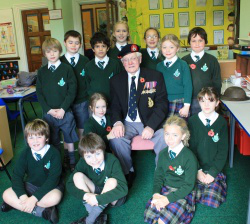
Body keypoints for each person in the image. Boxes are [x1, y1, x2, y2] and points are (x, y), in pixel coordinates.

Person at [109, 44, 168, 188]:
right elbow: (114, 106)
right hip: (127, 122)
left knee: (164, 137)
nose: (130, 62)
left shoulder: (155, 76)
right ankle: (127, 172)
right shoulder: (116, 80)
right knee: (117, 140)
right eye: (126, 60)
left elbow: (162, 104)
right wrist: (117, 123)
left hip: (149, 121)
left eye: (133, 59)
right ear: (122, 63)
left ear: (140, 59)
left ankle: (162, 173)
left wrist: (151, 126)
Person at [1, 119, 63, 224]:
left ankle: (16, 204)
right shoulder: (25, 153)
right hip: (31, 184)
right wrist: (24, 197)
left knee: (55, 198)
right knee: (6, 194)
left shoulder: (54, 153)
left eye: (39, 136)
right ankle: (43, 212)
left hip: (51, 187)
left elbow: (53, 180)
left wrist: (33, 199)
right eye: (31, 137)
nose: (35, 141)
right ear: (27, 139)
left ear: (46, 138)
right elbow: (17, 176)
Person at [144, 115, 198, 224]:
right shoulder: (163, 153)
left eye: (175, 135)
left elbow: (188, 185)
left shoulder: (189, 157)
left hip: (183, 192)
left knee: (163, 221)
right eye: (167, 134)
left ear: (183, 136)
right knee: (150, 216)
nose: (169, 139)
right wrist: (156, 193)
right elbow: (158, 176)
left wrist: (167, 199)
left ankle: (184, 211)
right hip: (166, 188)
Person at [36, 38, 78, 172]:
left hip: (65, 112)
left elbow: (72, 91)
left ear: (60, 51)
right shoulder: (42, 72)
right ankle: (56, 164)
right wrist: (48, 110)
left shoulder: (67, 69)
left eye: (55, 51)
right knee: (53, 140)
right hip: (49, 114)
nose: (52, 54)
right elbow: (39, 93)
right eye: (49, 52)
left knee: (69, 137)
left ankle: (71, 162)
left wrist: (63, 109)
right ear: (44, 54)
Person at [67, 133, 128, 224]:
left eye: (98, 154)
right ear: (83, 157)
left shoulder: (112, 160)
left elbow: (123, 189)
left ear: (103, 151)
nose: (94, 159)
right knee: (77, 176)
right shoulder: (82, 162)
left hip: (114, 197)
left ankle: (90, 220)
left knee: (111, 181)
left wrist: (99, 199)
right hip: (97, 191)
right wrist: (86, 195)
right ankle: (96, 216)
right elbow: (69, 184)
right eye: (88, 156)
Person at [188, 87, 228, 208]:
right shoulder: (192, 121)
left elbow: (223, 151)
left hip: (213, 168)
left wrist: (212, 173)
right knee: (185, 191)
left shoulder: (222, 122)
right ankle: (200, 187)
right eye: (203, 100)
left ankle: (206, 187)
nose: (206, 104)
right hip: (196, 167)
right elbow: (190, 149)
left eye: (210, 101)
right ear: (198, 102)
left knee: (213, 200)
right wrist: (198, 171)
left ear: (217, 102)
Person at [60, 30, 89, 171]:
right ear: (65, 43)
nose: (73, 45)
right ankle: (68, 157)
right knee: (68, 131)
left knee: (82, 130)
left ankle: (83, 156)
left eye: (77, 43)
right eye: (70, 42)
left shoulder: (85, 61)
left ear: (81, 44)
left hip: (82, 101)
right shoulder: (60, 61)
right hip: (65, 103)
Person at [182, 27, 221, 115]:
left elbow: (217, 81)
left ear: (205, 42)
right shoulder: (184, 61)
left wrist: (215, 100)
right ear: (189, 42)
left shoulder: (212, 60)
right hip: (189, 101)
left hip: (207, 101)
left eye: (200, 40)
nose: (197, 44)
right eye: (193, 41)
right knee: (190, 125)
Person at [156, 34, 192, 118]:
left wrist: (186, 106)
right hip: (163, 101)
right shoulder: (159, 66)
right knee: (165, 128)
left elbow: (188, 86)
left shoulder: (183, 64)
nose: (168, 50)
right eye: (164, 47)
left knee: (179, 129)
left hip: (180, 102)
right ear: (161, 49)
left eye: (171, 47)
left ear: (177, 48)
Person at [85, 32, 122, 102]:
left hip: (113, 102)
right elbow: (87, 86)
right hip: (95, 104)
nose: (100, 49)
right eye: (97, 46)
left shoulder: (115, 64)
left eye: (103, 46)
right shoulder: (88, 66)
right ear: (93, 49)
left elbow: (119, 84)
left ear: (108, 48)